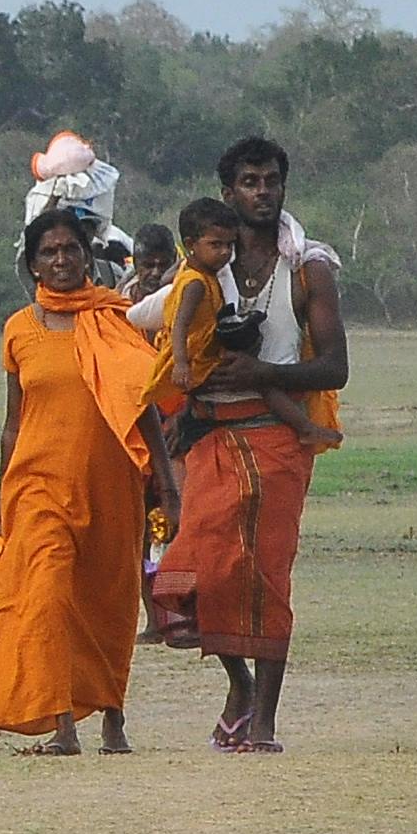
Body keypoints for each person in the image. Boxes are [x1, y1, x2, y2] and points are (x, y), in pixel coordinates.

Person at [137, 188, 345, 750]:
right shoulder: (194, 278)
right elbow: (139, 321)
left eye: (272, 179)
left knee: (267, 576)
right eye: (249, 180)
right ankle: (240, 685)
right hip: (209, 436)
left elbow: (335, 368)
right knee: (199, 570)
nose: (263, 191)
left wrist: (260, 374)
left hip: (275, 443)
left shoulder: (307, 267)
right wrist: (179, 392)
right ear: (229, 192)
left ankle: (264, 722)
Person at [0, 204, 166, 755]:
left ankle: (112, 715)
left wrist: (165, 480)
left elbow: (142, 404)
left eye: (70, 249)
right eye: (48, 252)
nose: (60, 260)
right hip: (37, 484)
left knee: (108, 598)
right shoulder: (18, 330)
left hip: (111, 479)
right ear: (32, 265)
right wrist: (2, 499)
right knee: (46, 594)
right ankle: (62, 723)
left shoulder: (118, 318)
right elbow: (12, 421)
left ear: (87, 257)